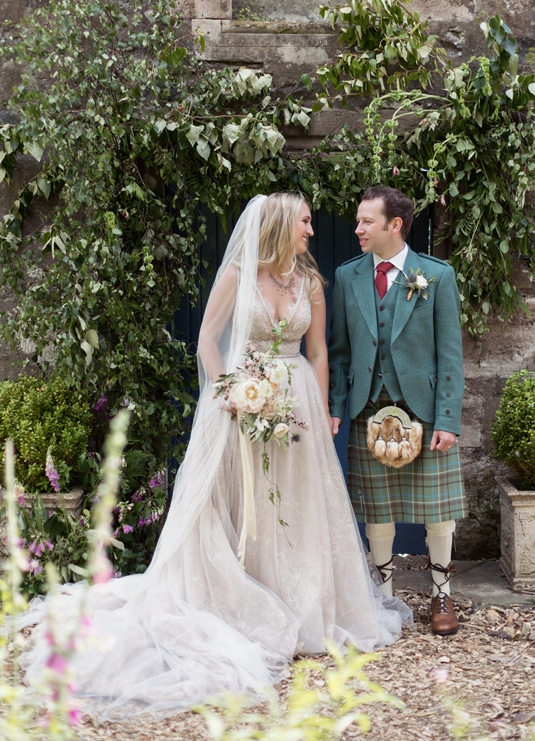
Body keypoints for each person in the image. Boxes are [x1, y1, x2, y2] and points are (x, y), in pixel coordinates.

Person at [20, 192, 412, 720]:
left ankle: (301, 604)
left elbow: (317, 353)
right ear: (278, 225)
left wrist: (319, 414)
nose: (311, 231)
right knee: (237, 500)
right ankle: (241, 596)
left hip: (294, 401)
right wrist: (227, 391)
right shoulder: (239, 274)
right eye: (305, 221)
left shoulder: (313, 285)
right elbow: (207, 338)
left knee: (295, 503)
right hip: (239, 401)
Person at [328, 186, 466, 636]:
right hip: (369, 409)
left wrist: (447, 420)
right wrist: (335, 408)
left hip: (423, 412)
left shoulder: (436, 276)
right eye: (358, 221)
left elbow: (450, 356)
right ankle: (382, 595)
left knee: (438, 511)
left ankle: (441, 594)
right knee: (376, 509)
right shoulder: (348, 277)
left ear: (395, 225)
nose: (358, 229)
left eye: (367, 221)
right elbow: (339, 353)